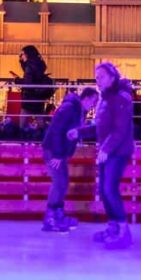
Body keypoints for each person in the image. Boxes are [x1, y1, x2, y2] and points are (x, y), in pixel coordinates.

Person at [68, 62, 135, 249]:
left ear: (113, 77)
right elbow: (100, 127)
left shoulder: (121, 98)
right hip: (107, 150)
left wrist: (105, 149)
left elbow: (120, 130)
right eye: (96, 77)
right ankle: (113, 227)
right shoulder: (104, 99)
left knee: (109, 189)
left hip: (118, 151)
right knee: (104, 191)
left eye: (101, 77)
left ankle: (123, 231)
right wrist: (79, 132)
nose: (98, 80)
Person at [40, 86, 99, 232]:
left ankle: (57, 215)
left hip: (59, 153)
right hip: (54, 152)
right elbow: (56, 129)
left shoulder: (78, 111)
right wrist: (58, 154)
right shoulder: (69, 108)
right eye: (94, 101)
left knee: (63, 183)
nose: (94, 105)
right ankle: (51, 218)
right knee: (59, 183)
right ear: (88, 98)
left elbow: (75, 132)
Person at [16, 45, 55, 118]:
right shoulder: (39, 64)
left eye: (22, 54)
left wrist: (17, 80)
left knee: (23, 122)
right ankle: (43, 129)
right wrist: (22, 62)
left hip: (29, 98)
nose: (21, 56)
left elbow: (28, 83)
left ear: (27, 54)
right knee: (39, 119)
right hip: (39, 97)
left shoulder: (29, 66)